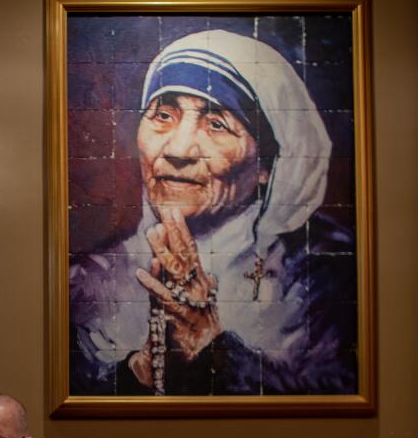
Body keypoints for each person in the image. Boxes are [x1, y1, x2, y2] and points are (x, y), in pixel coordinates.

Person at [69, 30, 358, 396]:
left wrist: (213, 349)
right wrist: (141, 370)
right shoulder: (83, 284)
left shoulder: (329, 275)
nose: (178, 149)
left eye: (216, 123)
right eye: (163, 114)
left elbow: (338, 399)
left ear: (269, 163)